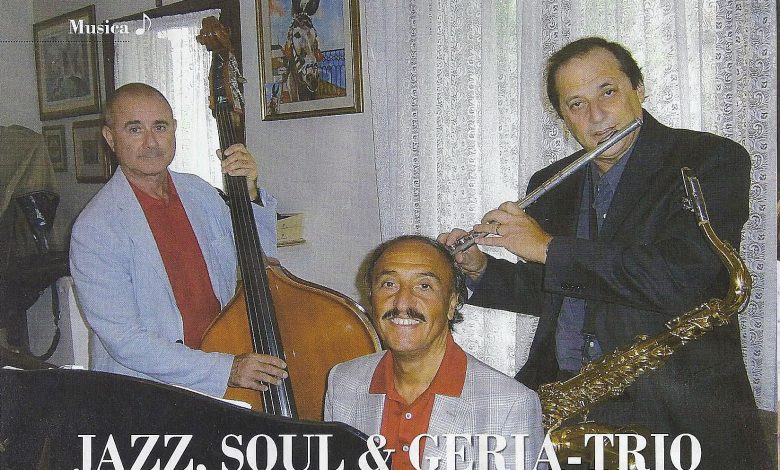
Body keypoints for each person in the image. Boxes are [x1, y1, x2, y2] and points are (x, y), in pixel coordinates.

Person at [439, 37, 769, 469]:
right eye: (576, 104)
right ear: (563, 118)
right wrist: (480, 270)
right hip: (566, 404)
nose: (595, 116)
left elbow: (688, 278)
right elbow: (557, 292)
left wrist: (548, 247)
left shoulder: (708, 160)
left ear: (638, 88)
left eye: (607, 92)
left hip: (675, 411)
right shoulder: (552, 183)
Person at [70, 83, 288, 398]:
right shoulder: (95, 228)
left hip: (220, 367)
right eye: (135, 129)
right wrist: (226, 369)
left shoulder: (200, 192)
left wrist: (250, 193)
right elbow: (125, 340)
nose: (151, 142)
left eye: (160, 127)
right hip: (145, 390)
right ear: (110, 137)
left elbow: (262, 259)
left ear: (174, 129)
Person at [324, 235, 544, 470]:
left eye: (424, 286)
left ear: (451, 304)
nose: (402, 303)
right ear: (371, 298)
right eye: (389, 284)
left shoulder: (510, 404)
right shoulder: (344, 382)